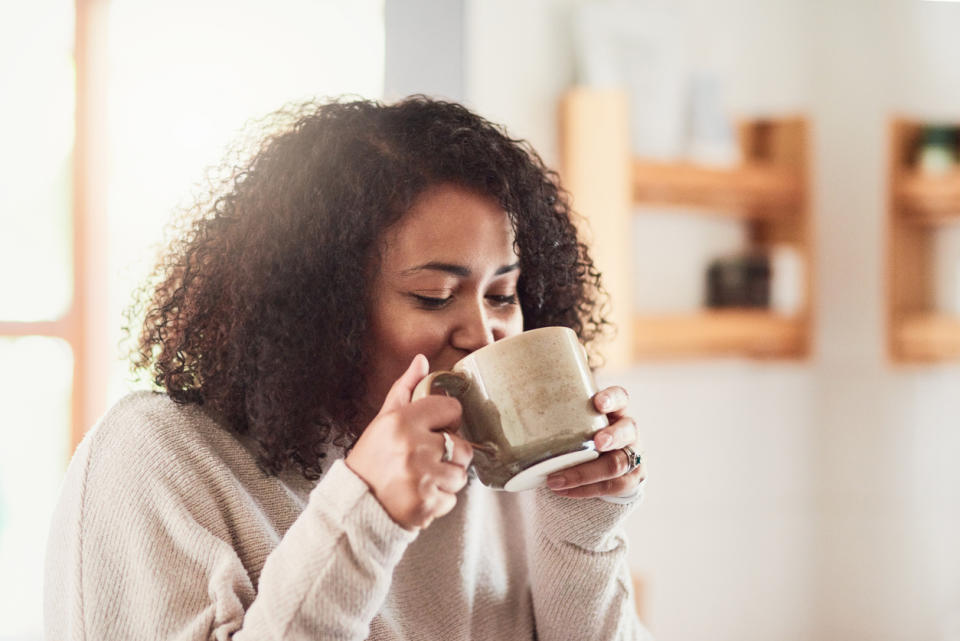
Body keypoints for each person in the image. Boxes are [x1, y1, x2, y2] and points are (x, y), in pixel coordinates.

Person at [44, 96, 651, 640]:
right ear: (320, 306)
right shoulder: (159, 457)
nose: (483, 333)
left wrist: (583, 532)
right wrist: (367, 513)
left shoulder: (504, 474)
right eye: (435, 295)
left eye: (502, 296)